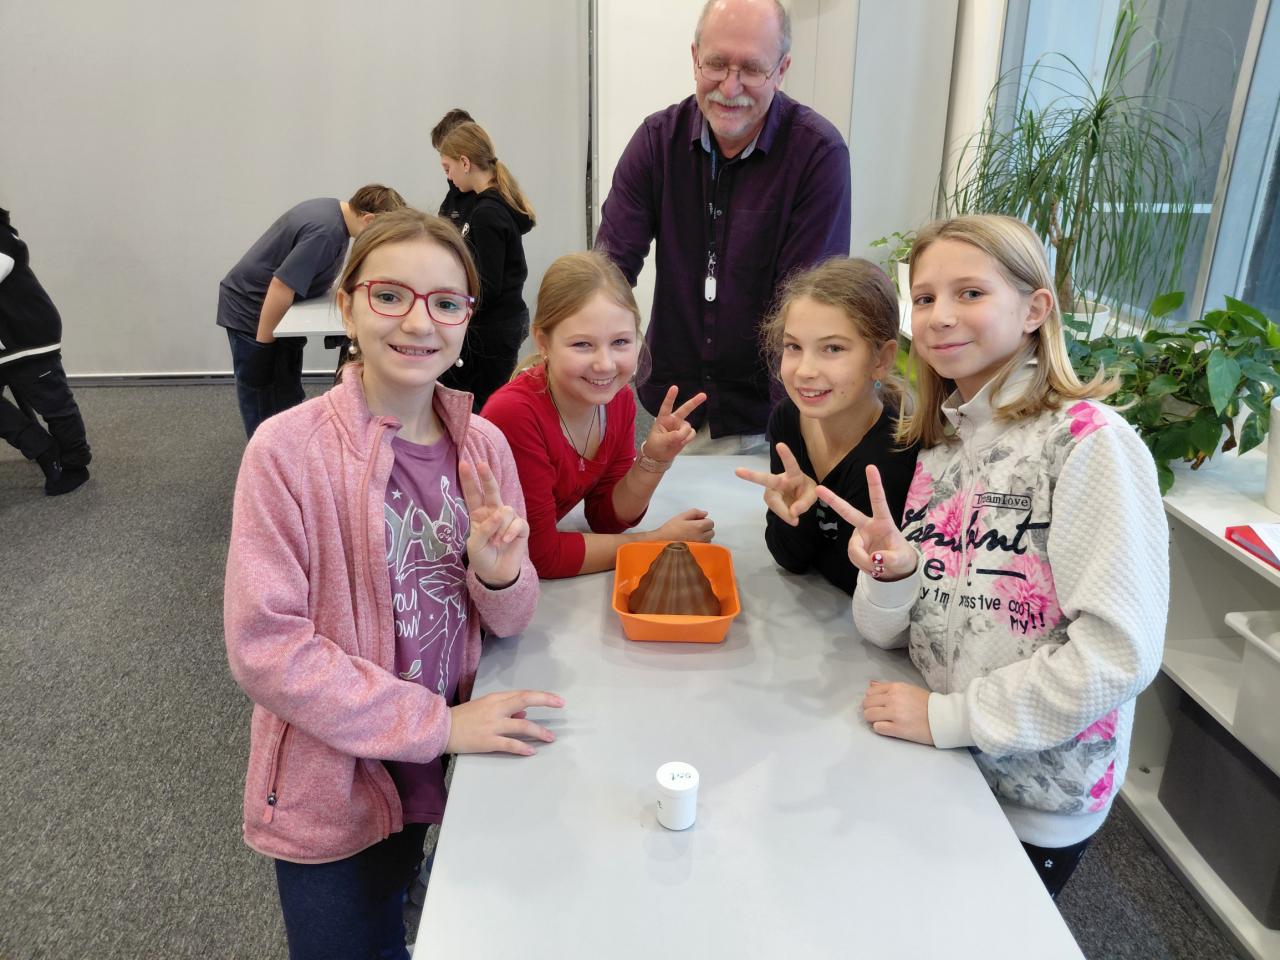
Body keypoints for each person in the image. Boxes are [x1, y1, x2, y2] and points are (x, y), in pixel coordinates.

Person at [224, 208, 562, 960]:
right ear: (347, 306)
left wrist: (499, 573)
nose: (418, 322)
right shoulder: (286, 452)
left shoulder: (483, 445)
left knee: (433, 920)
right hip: (336, 783)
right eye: (390, 296)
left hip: (445, 765)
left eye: (445, 302)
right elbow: (266, 649)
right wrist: (438, 725)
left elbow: (513, 617)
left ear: (467, 319)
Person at [815, 215, 1168, 897]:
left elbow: (1118, 653)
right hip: (942, 762)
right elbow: (886, 634)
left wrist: (948, 719)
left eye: (970, 293)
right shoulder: (943, 445)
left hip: (1029, 795)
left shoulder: (1090, 443)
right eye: (924, 298)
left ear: (1035, 309)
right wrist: (893, 574)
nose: (940, 316)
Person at [594, 0, 851, 452]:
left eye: (751, 69)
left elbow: (810, 308)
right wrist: (589, 384)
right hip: (670, 405)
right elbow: (607, 275)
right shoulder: (656, 143)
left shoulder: (817, 155)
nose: (730, 88)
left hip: (766, 414)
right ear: (695, 57)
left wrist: (796, 441)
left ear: (782, 69)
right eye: (716, 64)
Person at [481, 251, 713, 578]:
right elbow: (540, 554)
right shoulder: (514, 415)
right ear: (543, 342)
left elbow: (606, 519)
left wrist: (655, 460)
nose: (605, 364)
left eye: (620, 342)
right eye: (582, 345)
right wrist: (657, 541)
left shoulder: (619, 401)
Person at [735, 258, 917, 594]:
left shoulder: (893, 454)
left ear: (881, 360)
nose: (805, 370)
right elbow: (790, 558)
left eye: (833, 348)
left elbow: (855, 579)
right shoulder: (788, 420)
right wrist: (797, 509)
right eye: (794, 346)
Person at [217, 184, 406, 438]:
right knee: (261, 393)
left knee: (286, 392)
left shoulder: (335, 216)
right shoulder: (326, 232)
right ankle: (263, 454)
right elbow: (281, 287)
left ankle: (288, 448)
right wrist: (263, 347)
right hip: (252, 311)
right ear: (369, 219)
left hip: (274, 312)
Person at [436, 121, 536, 411]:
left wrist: (452, 306)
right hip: (498, 323)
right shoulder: (489, 205)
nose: (449, 177)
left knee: (486, 408)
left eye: (448, 168)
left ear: (465, 163)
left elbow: (488, 285)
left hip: (495, 328)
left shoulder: (487, 213)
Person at [0, 207, 91, 495]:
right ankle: (40, 446)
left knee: (55, 405)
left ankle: (75, 464)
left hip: (28, 338)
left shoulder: (3, 238)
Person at [431, 107, 477, 231]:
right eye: (440, 153)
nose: (442, 162)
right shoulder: (451, 197)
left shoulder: (486, 207)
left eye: (446, 153)